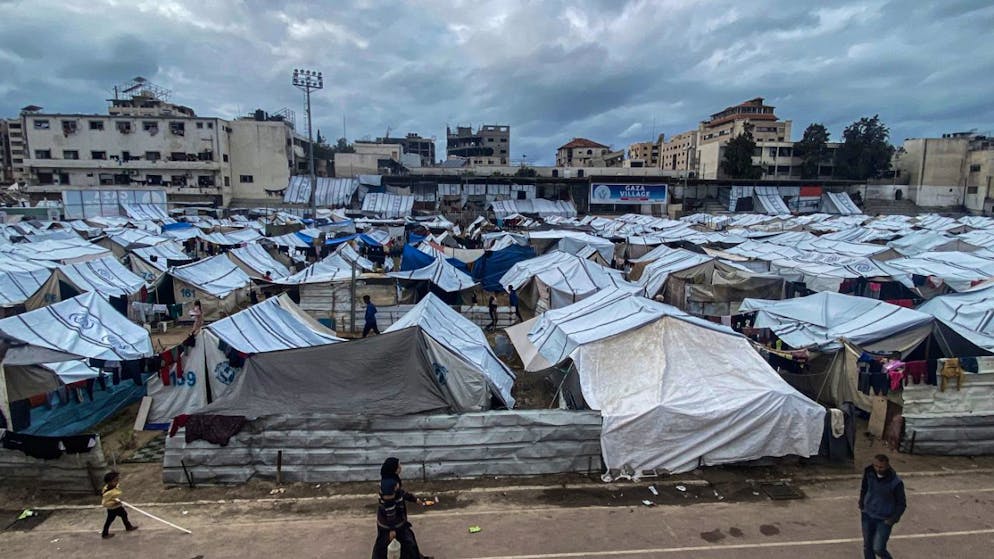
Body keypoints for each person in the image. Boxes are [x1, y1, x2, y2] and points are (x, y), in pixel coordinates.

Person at [371, 458, 432, 559]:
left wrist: (414, 499)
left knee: (389, 545)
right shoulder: (388, 486)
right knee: (406, 542)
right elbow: (390, 509)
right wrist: (392, 529)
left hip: (394, 522)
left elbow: (400, 493)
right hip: (390, 524)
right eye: (399, 466)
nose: (401, 467)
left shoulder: (391, 481)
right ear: (394, 469)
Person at [859, 454, 906, 559]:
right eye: (875, 466)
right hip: (867, 515)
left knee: (878, 548)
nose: (878, 469)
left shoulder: (895, 482)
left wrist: (892, 519)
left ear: (887, 466)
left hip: (884, 519)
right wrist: (862, 504)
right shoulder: (869, 472)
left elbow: (901, 504)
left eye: (881, 467)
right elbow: (864, 488)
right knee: (867, 546)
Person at [101, 471, 138, 539]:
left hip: (118, 507)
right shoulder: (108, 493)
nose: (117, 482)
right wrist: (114, 502)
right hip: (113, 509)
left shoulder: (114, 486)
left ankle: (128, 526)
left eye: (117, 480)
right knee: (109, 520)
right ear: (109, 482)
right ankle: (105, 534)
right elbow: (104, 503)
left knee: (124, 514)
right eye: (115, 480)